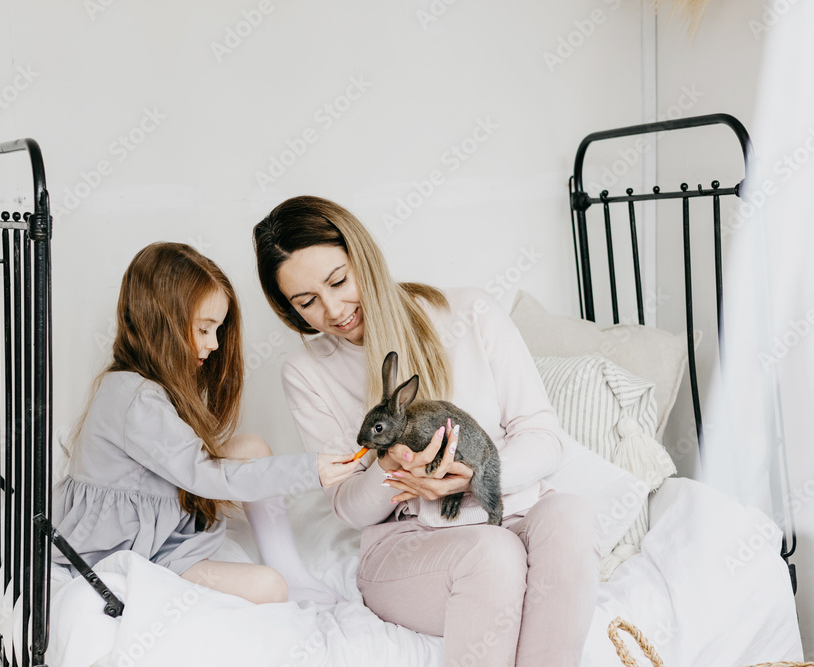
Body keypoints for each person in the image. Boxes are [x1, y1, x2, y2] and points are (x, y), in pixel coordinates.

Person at [253, 196, 599, 665]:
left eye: (338, 281)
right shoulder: (306, 372)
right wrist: (387, 466)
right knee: (493, 553)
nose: (333, 310)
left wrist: (475, 478)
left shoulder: (469, 313)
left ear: (364, 257)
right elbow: (348, 509)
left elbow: (542, 436)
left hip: (511, 511)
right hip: (409, 544)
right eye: (307, 302)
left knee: (571, 515)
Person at [52, 242, 361, 605]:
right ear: (160, 321)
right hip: (131, 545)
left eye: (217, 330)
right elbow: (203, 476)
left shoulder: (140, 384)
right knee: (268, 588)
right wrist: (309, 469)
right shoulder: (135, 398)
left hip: (161, 522)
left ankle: (293, 572)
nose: (214, 344)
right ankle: (285, 580)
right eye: (204, 329)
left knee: (250, 448)